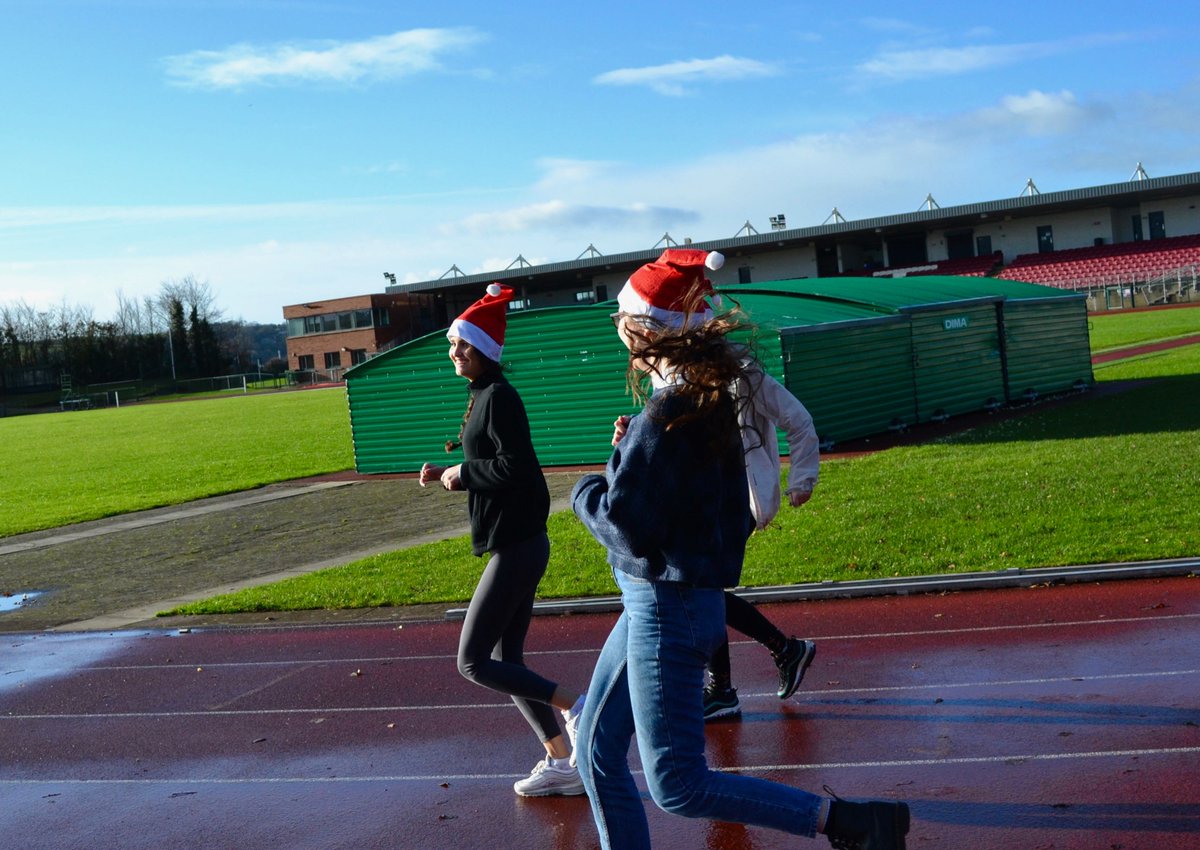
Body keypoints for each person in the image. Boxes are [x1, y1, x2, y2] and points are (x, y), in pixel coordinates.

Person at [571, 248, 911, 849]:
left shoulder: (670, 412)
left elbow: (626, 525)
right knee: (595, 749)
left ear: (648, 327)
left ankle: (851, 824)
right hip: (669, 603)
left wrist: (586, 490)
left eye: (623, 316)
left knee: (677, 784)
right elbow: (676, 505)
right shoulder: (703, 404)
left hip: (664, 608)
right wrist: (628, 457)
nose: (617, 326)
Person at [419, 283, 586, 798]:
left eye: (462, 346)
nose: (454, 353)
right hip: (515, 543)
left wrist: (463, 474)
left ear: (486, 350)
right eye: (453, 345)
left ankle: (575, 707)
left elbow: (516, 466)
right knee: (505, 661)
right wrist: (447, 471)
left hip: (519, 546)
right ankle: (563, 762)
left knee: (472, 661)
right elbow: (494, 461)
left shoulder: (499, 397)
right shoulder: (483, 396)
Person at [610, 333, 822, 721]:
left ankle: (747, 672)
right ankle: (755, 667)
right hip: (704, 498)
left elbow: (798, 418)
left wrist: (802, 479)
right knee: (702, 585)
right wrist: (631, 440)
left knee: (700, 585)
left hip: (736, 498)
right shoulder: (676, 380)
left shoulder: (740, 373)